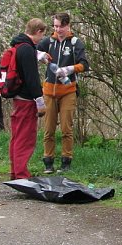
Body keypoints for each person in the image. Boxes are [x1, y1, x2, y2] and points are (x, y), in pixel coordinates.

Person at [37, 13, 89, 173]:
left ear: (68, 26)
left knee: (67, 128)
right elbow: (32, 51)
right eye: (55, 26)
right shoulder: (48, 41)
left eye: (60, 26)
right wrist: (41, 56)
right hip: (49, 91)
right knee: (48, 128)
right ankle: (48, 161)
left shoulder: (75, 43)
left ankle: (66, 162)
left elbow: (84, 64)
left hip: (68, 90)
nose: (58, 29)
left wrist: (70, 69)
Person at [8, 19, 47, 180]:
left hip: (17, 97)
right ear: (38, 31)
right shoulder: (27, 50)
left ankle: (15, 171)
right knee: (25, 138)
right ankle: (21, 174)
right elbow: (32, 78)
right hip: (26, 99)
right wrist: (40, 101)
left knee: (17, 136)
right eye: (42, 34)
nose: (42, 38)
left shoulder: (17, 46)